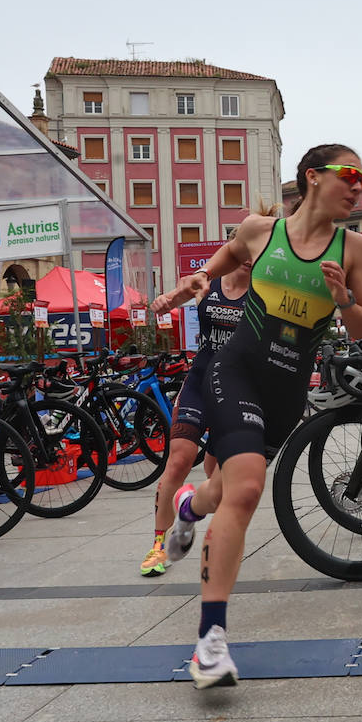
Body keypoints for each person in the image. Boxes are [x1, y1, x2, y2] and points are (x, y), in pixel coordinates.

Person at [150, 145, 362, 689]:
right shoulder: (260, 230)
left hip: (288, 388)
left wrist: (344, 300)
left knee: (224, 491)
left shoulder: (355, 247)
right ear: (313, 177)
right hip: (239, 369)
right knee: (247, 490)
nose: (358, 188)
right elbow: (225, 257)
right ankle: (209, 643)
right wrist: (196, 279)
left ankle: (187, 509)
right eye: (351, 176)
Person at [137, 240, 253, 576]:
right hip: (200, 382)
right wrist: (164, 302)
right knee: (177, 461)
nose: (248, 260)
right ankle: (158, 545)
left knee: (217, 481)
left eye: (255, 255)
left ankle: (193, 519)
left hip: (234, 391)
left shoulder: (261, 293)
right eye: (243, 253)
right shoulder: (207, 282)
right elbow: (176, 296)